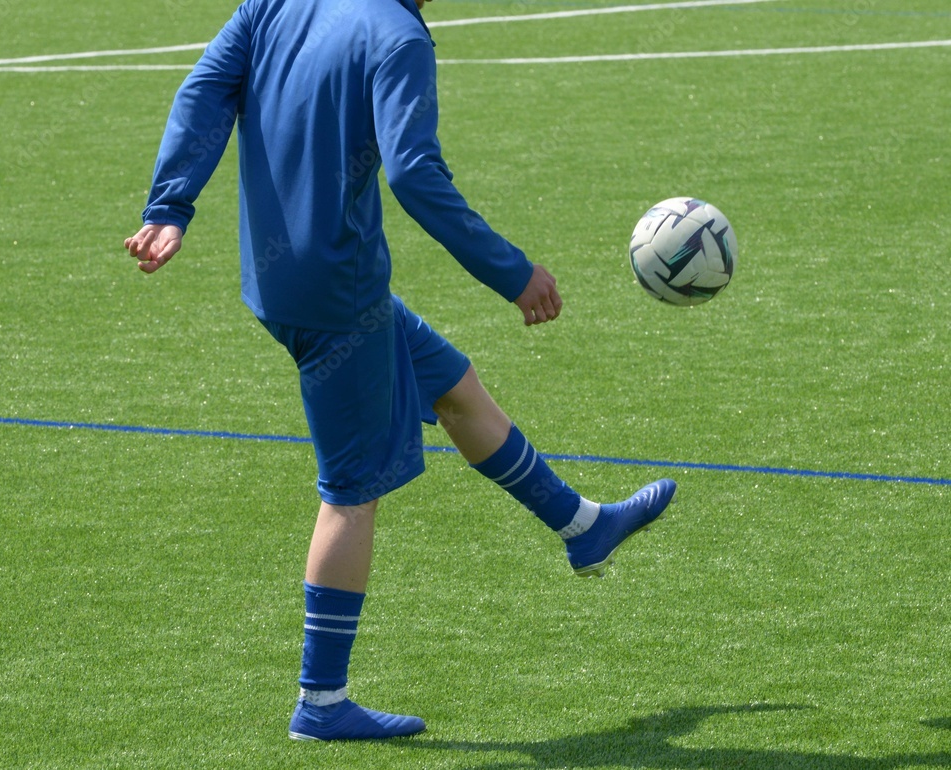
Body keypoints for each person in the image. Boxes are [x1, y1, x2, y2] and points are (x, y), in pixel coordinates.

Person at [124, 0, 676, 742]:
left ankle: (582, 526)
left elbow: (204, 89)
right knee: (351, 493)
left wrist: (171, 204)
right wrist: (511, 272)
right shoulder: (398, 37)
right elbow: (414, 173)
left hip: (280, 278)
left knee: (451, 384)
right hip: (338, 298)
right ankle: (321, 702)